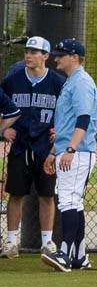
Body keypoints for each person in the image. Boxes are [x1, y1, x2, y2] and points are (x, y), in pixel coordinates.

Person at [1, 36, 65, 258]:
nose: (28, 55)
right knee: (16, 194)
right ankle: (11, 242)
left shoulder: (57, 82)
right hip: (19, 145)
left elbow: (67, 110)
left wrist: (60, 129)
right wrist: (2, 129)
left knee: (47, 195)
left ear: (45, 56)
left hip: (45, 147)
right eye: (27, 51)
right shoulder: (13, 80)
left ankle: (47, 242)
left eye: (34, 52)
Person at [40, 39, 97, 273]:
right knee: (74, 202)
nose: (56, 58)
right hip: (71, 149)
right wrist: (55, 151)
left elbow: (83, 118)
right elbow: (67, 122)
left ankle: (65, 254)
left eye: (61, 55)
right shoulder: (72, 81)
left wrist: (71, 149)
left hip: (78, 151)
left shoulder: (81, 82)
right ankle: (79, 256)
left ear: (74, 57)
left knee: (69, 202)